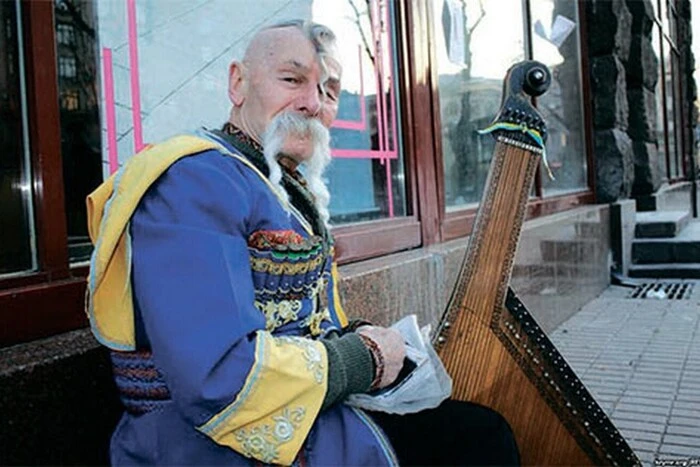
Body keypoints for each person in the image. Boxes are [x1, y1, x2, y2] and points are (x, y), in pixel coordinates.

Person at [86, 19, 519, 466]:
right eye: (292, 79)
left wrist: (359, 336)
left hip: (298, 419)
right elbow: (217, 378)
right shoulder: (195, 181)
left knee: (480, 425)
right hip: (210, 446)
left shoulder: (271, 181)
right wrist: (364, 357)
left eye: (328, 91)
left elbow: (299, 321)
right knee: (481, 439)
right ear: (238, 83)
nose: (313, 103)